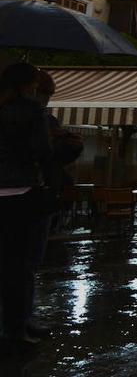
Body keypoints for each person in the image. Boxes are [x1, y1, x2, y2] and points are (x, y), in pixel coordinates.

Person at [0, 62, 54, 345]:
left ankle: (15, 323)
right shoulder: (33, 112)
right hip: (24, 192)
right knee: (22, 265)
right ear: (29, 85)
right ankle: (18, 327)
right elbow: (42, 152)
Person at [25, 71, 82, 337]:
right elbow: (49, 157)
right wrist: (69, 144)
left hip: (25, 193)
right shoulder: (40, 119)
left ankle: (17, 318)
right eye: (46, 95)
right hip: (37, 195)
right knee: (27, 261)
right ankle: (19, 320)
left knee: (19, 260)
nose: (46, 100)